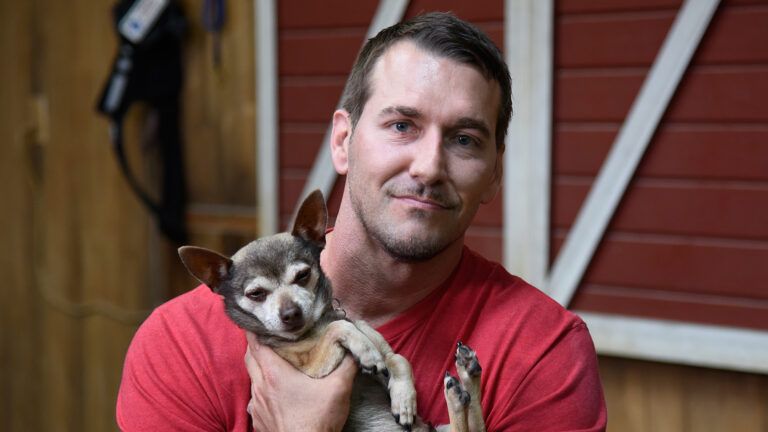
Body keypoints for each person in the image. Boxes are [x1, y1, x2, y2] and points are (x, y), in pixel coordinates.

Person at [116, 12, 607, 431]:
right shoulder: (182, 346)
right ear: (342, 142)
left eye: (464, 140)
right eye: (401, 126)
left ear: (495, 172)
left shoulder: (543, 351)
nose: (429, 167)